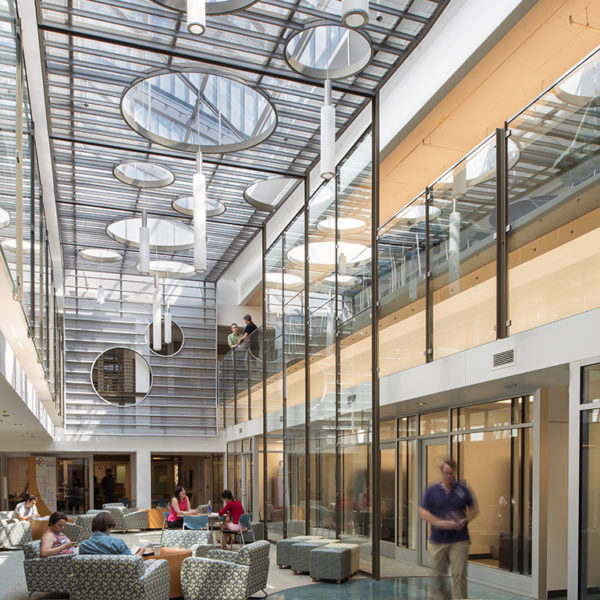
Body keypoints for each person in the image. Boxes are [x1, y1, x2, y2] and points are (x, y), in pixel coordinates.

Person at [419, 457, 479, 600]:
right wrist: (441, 523)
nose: (449, 476)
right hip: (438, 541)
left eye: (451, 473)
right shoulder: (432, 490)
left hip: (459, 540)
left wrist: (466, 519)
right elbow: (423, 512)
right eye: (446, 473)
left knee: (459, 574)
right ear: (441, 472)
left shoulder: (463, 490)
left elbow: (474, 509)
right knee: (436, 575)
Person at [78, 511, 146, 556]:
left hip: (93, 577)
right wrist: (142, 551)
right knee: (151, 561)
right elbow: (132, 562)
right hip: (118, 577)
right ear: (108, 527)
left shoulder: (83, 546)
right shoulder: (117, 543)